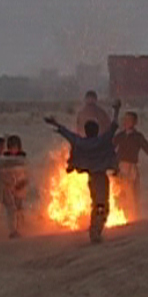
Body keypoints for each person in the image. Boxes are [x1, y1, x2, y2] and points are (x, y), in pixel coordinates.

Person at [46, 100, 122, 243]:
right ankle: (95, 231)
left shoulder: (81, 142)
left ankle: (95, 228)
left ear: (86, 132)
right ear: (97, 131)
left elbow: (68, 134)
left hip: (91, 178)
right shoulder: (102, 141)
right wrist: (117, 110)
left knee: (96, 203)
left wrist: (55, 123)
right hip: (101, 177)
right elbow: (114, 126)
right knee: (102, 205)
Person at [113, 111, 148, 218]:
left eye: (129, 120)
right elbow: (110, 148)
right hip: (120, 166)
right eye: (125, 119)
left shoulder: (138, 136)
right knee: (120, 192)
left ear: (135, 122)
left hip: (131, 167)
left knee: (133, 192)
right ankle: (122, 213)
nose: (126, 122)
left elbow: (146, 147)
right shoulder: (120, 136)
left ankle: (134, 215)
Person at [0, 136, 29, 239]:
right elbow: (8, 162)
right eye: (2, 146)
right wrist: (24, 160)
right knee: (8, 208)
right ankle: (12, 231)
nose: (3, 148)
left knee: (11, 208)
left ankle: (14, 229)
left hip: (3, 186)